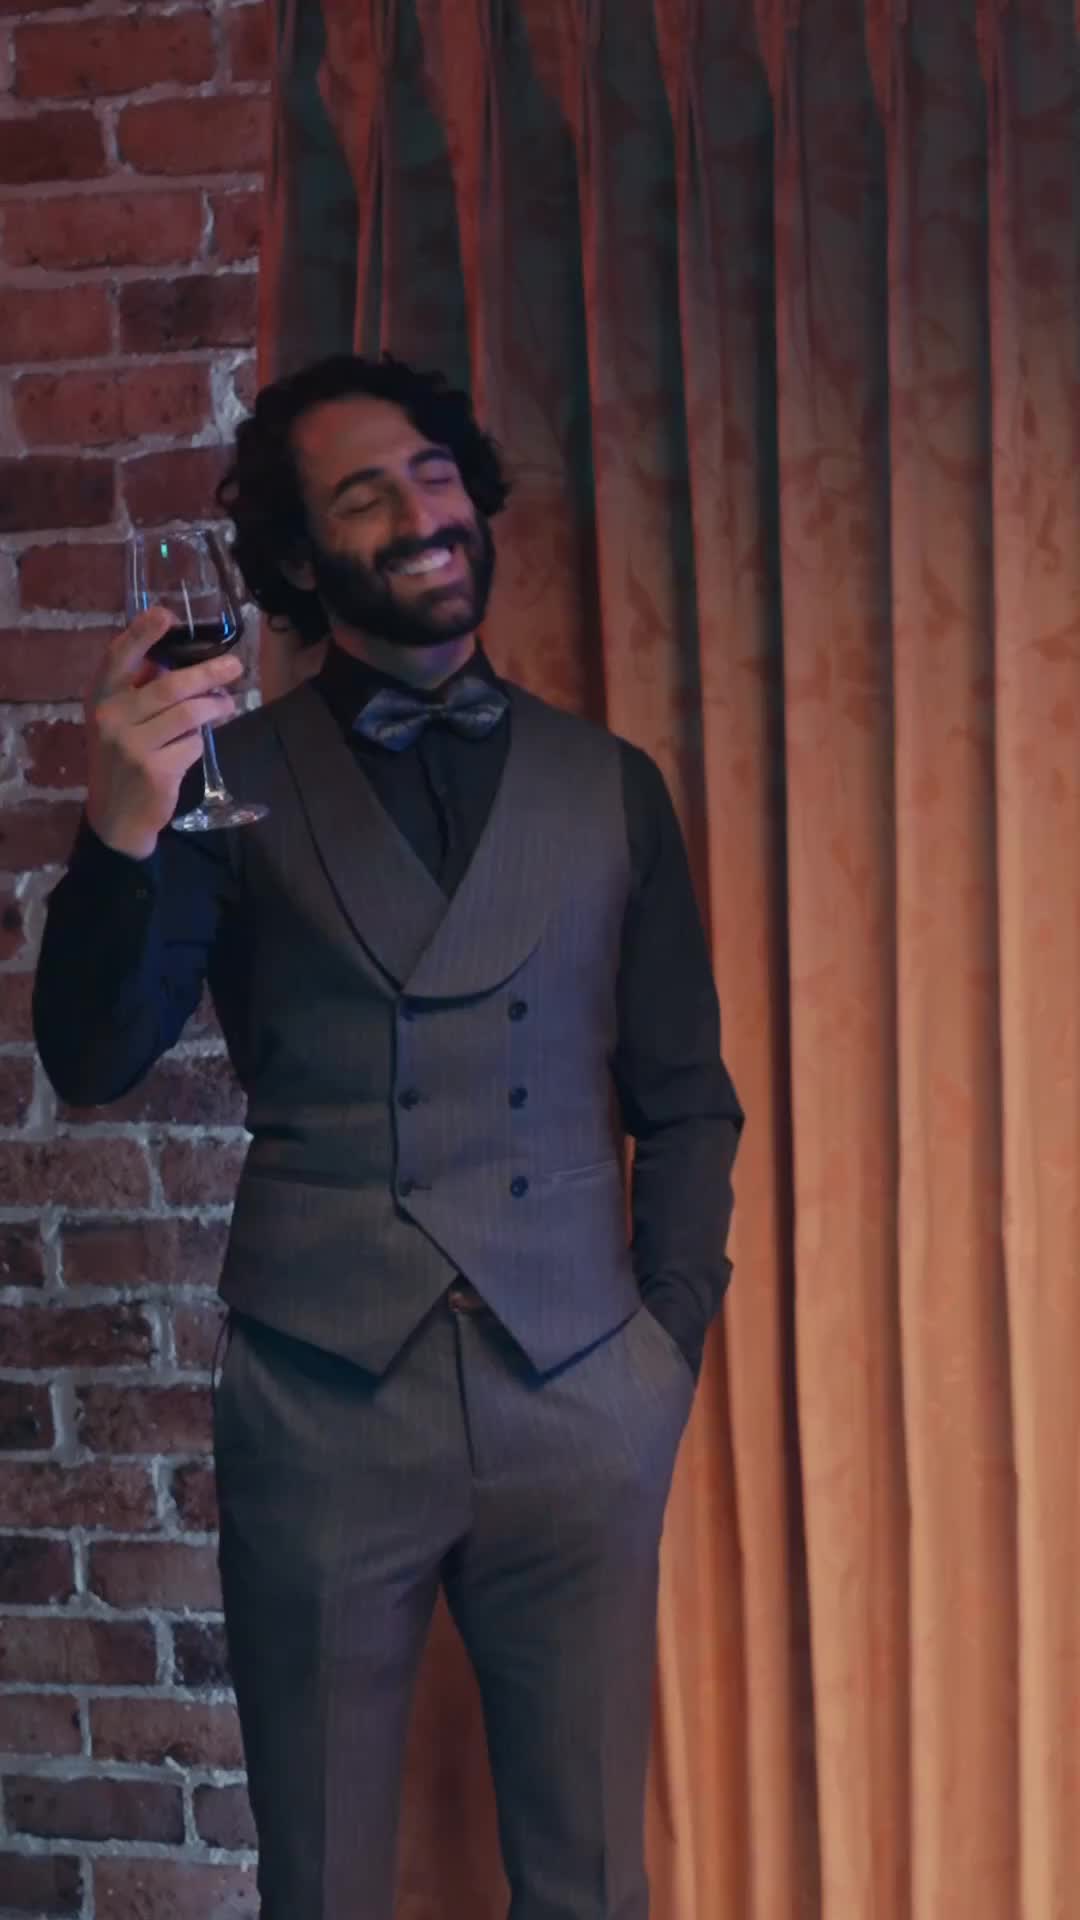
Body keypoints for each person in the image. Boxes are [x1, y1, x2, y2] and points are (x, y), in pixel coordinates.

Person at [33, 354, 743, 1920]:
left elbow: (689, 1100)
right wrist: (119, 824)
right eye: (364, 496)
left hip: (579, 1395)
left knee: (592, 1882)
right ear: (297, 559)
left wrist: (662, 1349)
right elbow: (92, 1058)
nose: (419, 514)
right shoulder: (220, 784)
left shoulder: (612, 788)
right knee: (323, 1883)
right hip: (320, 1402)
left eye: (432, 475)